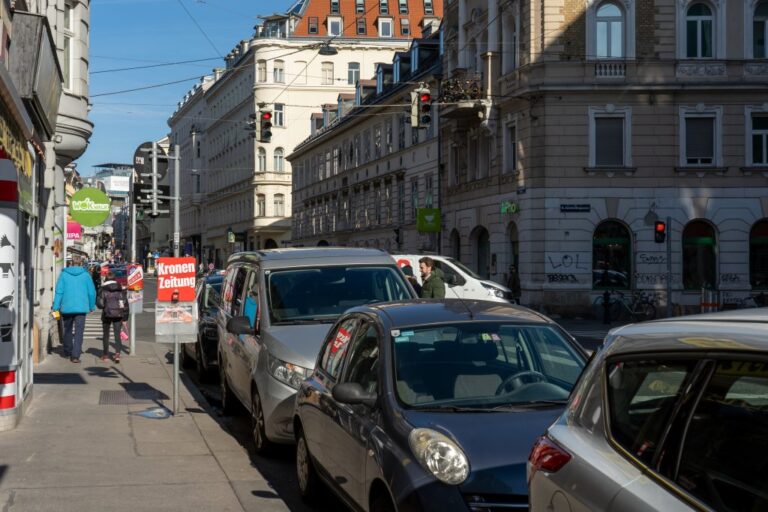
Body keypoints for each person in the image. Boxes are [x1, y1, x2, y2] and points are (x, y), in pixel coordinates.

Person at [52, 257, 96, 363]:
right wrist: (91, 306)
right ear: (81, 263)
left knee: (67, 330)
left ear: (71, 263)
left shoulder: (64, 275)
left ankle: (67, 351)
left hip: (67, 307)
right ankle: (75, 355)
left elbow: (59, 292)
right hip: (81, 308)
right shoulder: (86, 275)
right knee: (79, 332)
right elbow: (91, 292)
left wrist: (56, 307)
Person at [97, 271, 129, 363]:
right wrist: (125, 318)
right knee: (117, 334)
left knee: (106, 335)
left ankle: (105, 355)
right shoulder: (120, 289)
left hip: (106, 314)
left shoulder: (102, 289)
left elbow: (100, 304)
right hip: (118, 314)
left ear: (106, 279)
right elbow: (125, 305)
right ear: (115, 279)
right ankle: (117, 354)